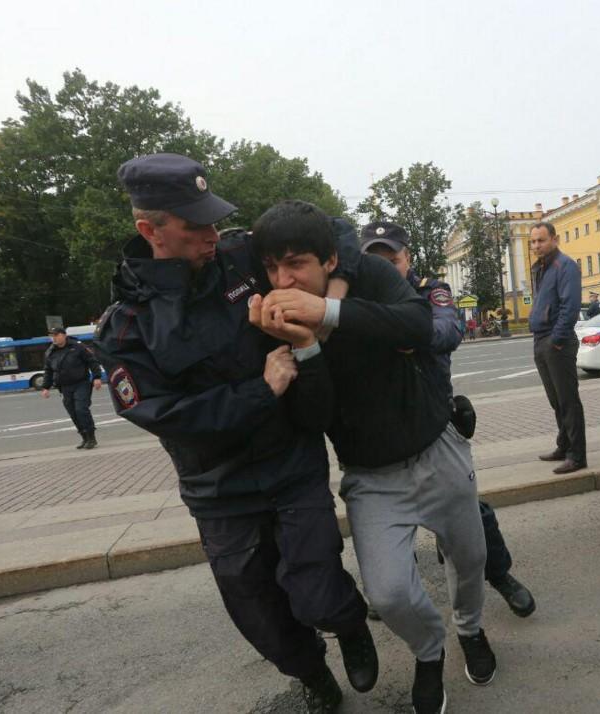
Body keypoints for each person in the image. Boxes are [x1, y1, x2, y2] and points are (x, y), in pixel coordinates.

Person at [93, 154, 375, 714]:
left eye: (213, 218)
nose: (211, 233)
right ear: (151, 231)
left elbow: (335, 232)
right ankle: (312, 675)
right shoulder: (126, 326)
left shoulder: (241, 254)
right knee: (262, 618)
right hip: (219, 490)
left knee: (318, 588)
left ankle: (349, 627)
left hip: (290, 463)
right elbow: (164, 414)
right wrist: (261, 389)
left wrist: (328, 303)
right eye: (195, 225)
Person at [250, 201, 496, 714]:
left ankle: (470, 628)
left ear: (330, 261)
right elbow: (316, 418)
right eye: (273, 267)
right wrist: (306, 347)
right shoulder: (278, 320)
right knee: (387, 594)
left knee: (471, 559)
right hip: (370, 478)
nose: (283, 278)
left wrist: (329, 312)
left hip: (437, 449)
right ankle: (430, 651)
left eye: (296, 263)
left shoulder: (373, 275)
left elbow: (416, 323)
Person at [361, 220, 536, 619]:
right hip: (383, 430)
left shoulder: (430, 292)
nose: (387, 269)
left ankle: (500, 575)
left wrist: (399, 332)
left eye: (394, 259)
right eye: (377, 262)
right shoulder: (357, 298)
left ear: (408, 258)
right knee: (389, 522)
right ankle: (392, 588)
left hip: (436, 422)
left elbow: (445, 331)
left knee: (469, 515)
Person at [528, 221, 587, 474]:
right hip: (541, 339)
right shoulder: (541, 268)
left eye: (541, 240)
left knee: (568, 400)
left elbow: (570, 307)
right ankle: (563, 446)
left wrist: (557, 340)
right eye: (533, 242)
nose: (536, 246)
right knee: (556, 401)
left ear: (554, 239)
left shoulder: (565, 266)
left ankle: (577, 455)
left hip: (556, 341)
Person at [41, 327, 104, 449]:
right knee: (73, 413)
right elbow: (48, 370)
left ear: (64, 335)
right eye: (51, 335)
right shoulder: (50, 352)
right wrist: (45, 387)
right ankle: (84, 438)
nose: (54, 338)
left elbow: (92, 361)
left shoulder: (77, 347)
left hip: (81, 383)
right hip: (64, 387)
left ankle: (91, 438)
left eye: (56, 335)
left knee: (81, 409)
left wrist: (97, 377)